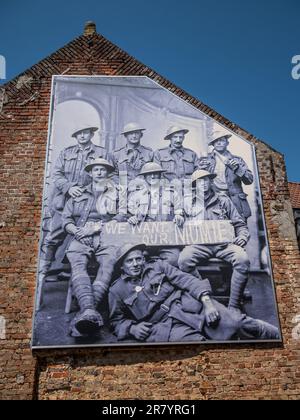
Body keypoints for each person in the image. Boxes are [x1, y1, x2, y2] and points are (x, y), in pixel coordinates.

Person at [108, 243, 279, 343]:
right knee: (202, 347)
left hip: (190, 306)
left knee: (235, 323)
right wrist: (132, 328)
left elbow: (188, 280)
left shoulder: (158, 266)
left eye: (138, 259)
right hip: (164, 327)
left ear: (144, 259)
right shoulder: (116, 290)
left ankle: (275, 335)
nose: (136, 264)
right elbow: (116, 321)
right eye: (130, 261)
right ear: (122, 266)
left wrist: (208, 303)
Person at [39, 124, 109, 286]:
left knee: (93, 236)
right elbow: (56, 174)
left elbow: (113, 173)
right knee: (54, 236)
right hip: (65, 201)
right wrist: (69, 187)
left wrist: (103, 191)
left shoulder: (102, 153)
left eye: (86, 133)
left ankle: (78, 273)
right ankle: (42, 272)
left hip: (92, 201)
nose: (82, 136)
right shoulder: (66, 153)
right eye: (79, 133)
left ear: (91, 134)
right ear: (75, 136)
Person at [178, 169, 250, 313]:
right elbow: (178, 225)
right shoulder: (187, 202)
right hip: (199, 245)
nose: (203, 184)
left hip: (224, 245)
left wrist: (242, 237)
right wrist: (178, 217)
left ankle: (234, 305)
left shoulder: (223, 200)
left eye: (206, 180)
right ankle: (206, 298)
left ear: (211, 182)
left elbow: (240, 224)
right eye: (199, 182)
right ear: (194, 185)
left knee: (242, 259)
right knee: (184, 260)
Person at [62, 158, 120, 336]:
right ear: (90, 173)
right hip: (80, 235)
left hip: (107, 236)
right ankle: (90, 311)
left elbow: (123, 215)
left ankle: (86, 312)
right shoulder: (78, 194)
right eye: (96, 170)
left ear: (108, 173)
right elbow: (66, 219)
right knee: (78, 263)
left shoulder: (116, 193)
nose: (100, 173)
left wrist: (97, 228)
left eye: (103, 170)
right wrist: (78, 232)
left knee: (109, 262)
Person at [199, 128, 253, 221]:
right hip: (214, 200)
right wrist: (201, 168)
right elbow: (197, 181)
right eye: (216, 141)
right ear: (212, 144)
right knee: (217, 230)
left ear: (227, 143)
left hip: (236, 201)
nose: (219, 143)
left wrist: (238, 168)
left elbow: (249, 180)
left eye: (222, 140)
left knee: (240, 229)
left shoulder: (237, 160)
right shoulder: (206, 160)